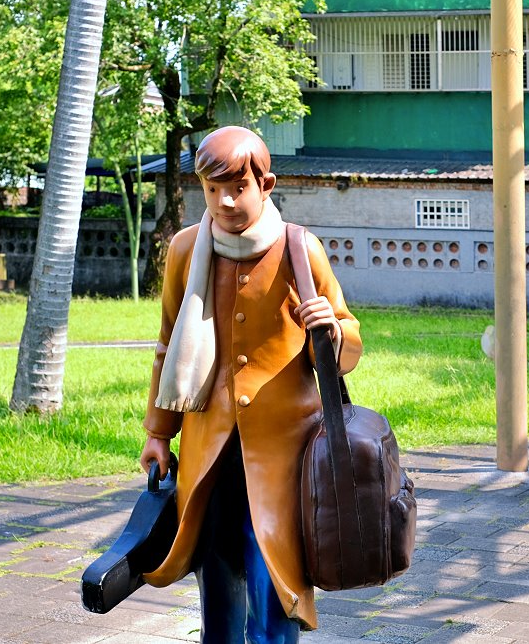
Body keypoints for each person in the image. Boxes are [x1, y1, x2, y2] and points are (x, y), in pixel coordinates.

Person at [138, 126, 362, 642]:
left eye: (238, 187)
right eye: (213, 190)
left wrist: (329, 327)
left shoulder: (299, 250)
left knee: (276, 585)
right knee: (217, 585)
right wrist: (158, 433)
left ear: (267, 185)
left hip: (284, 453)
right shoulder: (185, 250)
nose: (225, 201)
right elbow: (168, 344)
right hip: (208, 454)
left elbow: (348, 341)